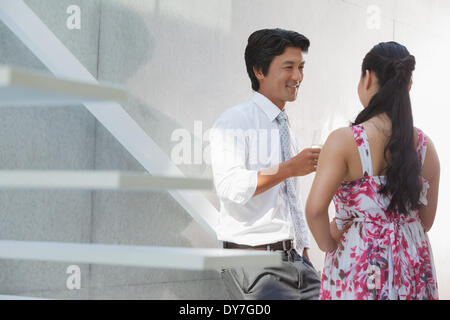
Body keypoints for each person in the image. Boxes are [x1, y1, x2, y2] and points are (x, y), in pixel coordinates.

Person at [305, 41, 440, 300]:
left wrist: (328, 243)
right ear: (408, 86)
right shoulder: (425, 147)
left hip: (359, 268)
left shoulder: (344, 142)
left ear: (367, 78)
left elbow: (314, 209)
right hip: (411, 267)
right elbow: (426, 221)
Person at [209, 28, 321, 300]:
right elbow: (230, 186)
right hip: (256, 263)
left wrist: (303, 248)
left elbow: (288, 199)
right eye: (289, 67)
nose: (297, 76)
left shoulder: (286, 130)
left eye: (301, 67)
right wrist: (289, 168)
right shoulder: (234, 121)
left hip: (296, 262)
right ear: (259, 70)